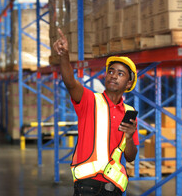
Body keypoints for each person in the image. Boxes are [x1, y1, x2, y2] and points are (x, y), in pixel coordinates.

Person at [53, 29, 139, 196]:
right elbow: (70, 82)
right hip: (87, 187)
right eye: (111, 71)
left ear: (128, 84)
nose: (113, 76)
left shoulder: (130, 113)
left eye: (120, 74)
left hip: (114, 189)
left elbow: (131, 157)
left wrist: (129, 137)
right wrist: (64, 56)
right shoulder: (90, 100)